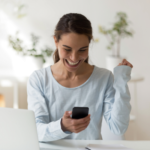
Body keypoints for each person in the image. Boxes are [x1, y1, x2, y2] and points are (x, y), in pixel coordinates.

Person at [27, 13, 133, 142]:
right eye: (67, 49)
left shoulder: (104, 78)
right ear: (56, 41)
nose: (74, 58)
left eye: (82, 50)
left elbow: (118, 128)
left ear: (89, 44)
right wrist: (62, 126)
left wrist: (121, 81)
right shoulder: (39, 79)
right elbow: (36, 131)